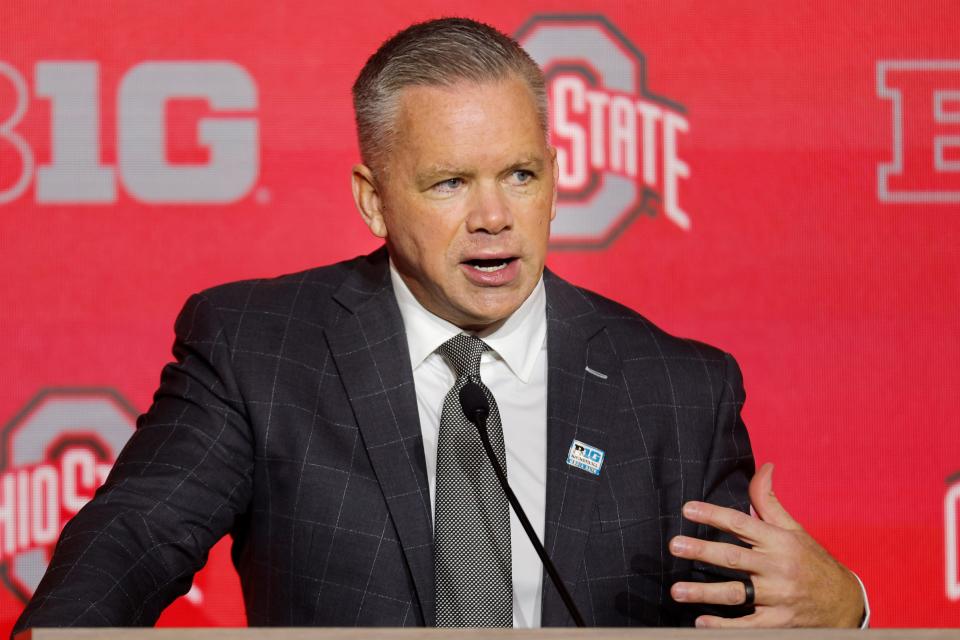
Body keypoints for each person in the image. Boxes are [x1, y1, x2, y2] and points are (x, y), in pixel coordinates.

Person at [14, 17, 866, 631]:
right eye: (450, 183)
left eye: (520, 175)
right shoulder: (258, 349)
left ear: (556, 181)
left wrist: (845, 610)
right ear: (372, 200)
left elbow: (745, 608)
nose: (494, 216)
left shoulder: (677, 389)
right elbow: (132, 541)